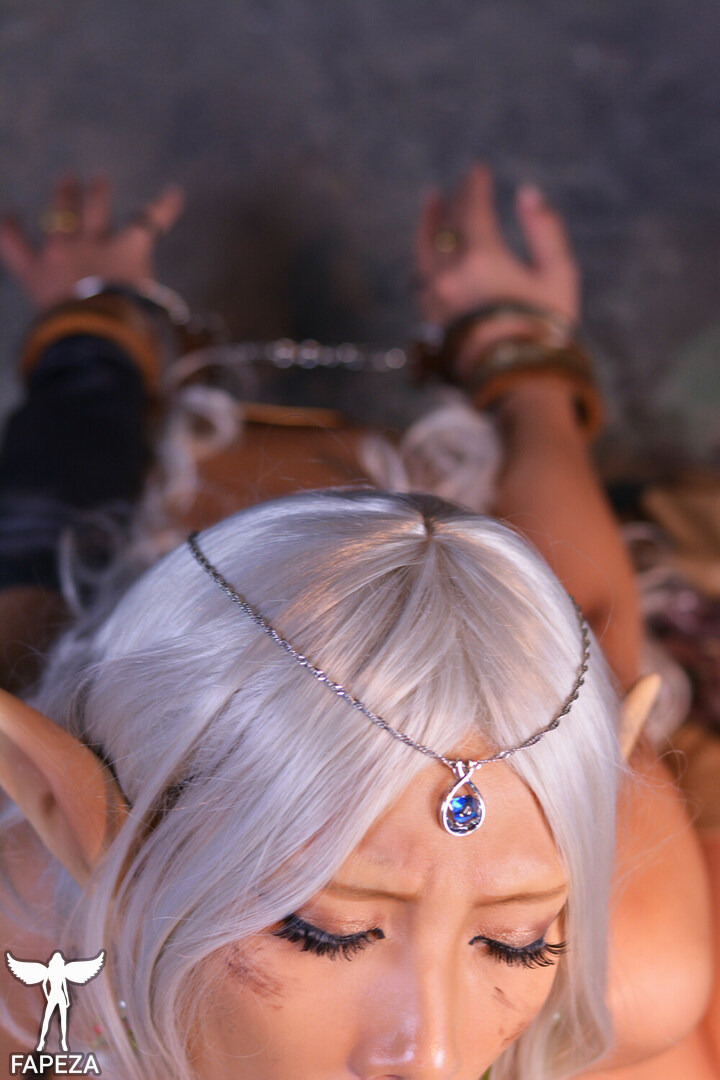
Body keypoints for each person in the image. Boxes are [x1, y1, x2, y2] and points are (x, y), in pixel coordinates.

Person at [0, 166, 715, 1079]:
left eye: (519, 942)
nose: (435, 1057)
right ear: (66, 812)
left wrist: (524, 358)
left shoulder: (621, 990)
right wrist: (91, 336)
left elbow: (593, 639)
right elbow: (30, 576)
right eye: (326, 931)